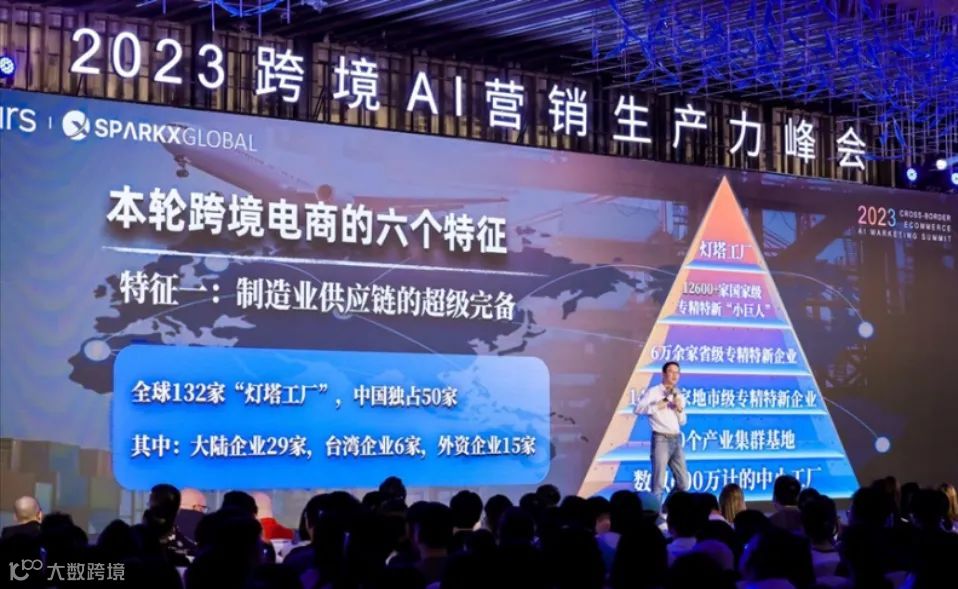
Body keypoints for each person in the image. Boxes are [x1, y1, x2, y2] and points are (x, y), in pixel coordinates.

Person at [634, 361, 689, 503]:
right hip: (661, 439)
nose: (674, 375)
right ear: (663, 374)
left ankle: (667, 506)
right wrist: (660, 404)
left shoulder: (679, 394)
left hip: (676, 439)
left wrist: (679, 408)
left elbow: (683, 421)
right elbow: (638, 409)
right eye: (671, 372)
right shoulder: (654, 391)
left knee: (684, 483)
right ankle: (655, 513)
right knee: (658, 483)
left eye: (677, 372)